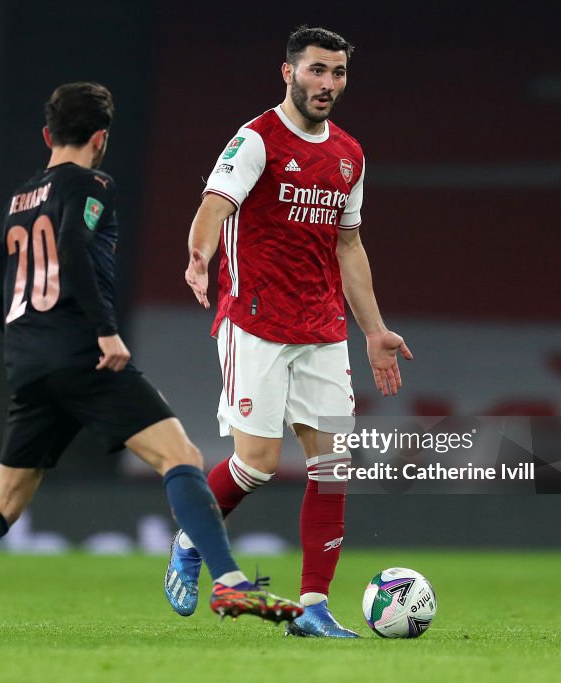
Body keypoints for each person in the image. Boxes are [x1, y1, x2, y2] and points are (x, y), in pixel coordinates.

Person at [0, 82, 302, 643]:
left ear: (47, 135)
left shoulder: (15, 201)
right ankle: (229, 580)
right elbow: (71, 244)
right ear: (101, 139)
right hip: (83, 353)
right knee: (179, 455)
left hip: (27, 362)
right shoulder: (93, 183)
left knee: (4, 501)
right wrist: (104, 332)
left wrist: (29, 350)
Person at [164, 27, 413, 638]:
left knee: (332, 466)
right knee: (256, 464)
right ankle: (190, 538)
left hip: (323, 328)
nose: (327, 84)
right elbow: (214, 207)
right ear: (288, 73)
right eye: (316, 71)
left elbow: (348, 244)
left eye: (337, 73)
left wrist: (374, 330)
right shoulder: (256, 140)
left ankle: (312, 607)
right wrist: (199, 256)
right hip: (254, 323)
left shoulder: (349, 153)